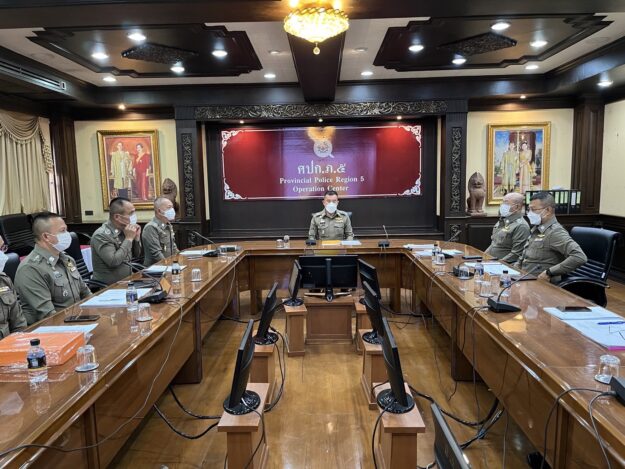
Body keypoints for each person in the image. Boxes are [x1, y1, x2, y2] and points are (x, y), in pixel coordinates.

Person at [14, 213, 91, 325]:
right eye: (62, 231)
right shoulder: (31, 269)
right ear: (46, 237)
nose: (67, 234)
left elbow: (86, 293)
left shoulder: (67, 259)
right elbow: (48, 315)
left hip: (79, 320)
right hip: (53, 329)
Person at [515, 192, 587, 283]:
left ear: (548, 210)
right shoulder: (537, 229)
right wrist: (514, 269)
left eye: (533, 209)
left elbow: (580, 257)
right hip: (524, 278)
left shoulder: (555, 232)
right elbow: (525, 257)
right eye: (529, 209)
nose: (529, 213)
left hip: (541, 284)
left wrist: (549, 272)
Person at [91, 197, 142, 285]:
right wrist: (129, 239)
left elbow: (136, 255)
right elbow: (113, 262)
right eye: (131, 213)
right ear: (117, 217)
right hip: (107, 286)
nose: (134, 216)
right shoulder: (101, 235)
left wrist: (136, 238)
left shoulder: (125, 229)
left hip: (127, 281)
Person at [485, 192, 530, 263]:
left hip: (504, 265)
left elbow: (516, 253)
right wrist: (483, 257)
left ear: (517, 207)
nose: (502, 205)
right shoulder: (502, 221)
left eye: (505, 203)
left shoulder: (521, 226)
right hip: (491, 261)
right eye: (502, 202)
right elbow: (494, 244)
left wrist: (498, 263)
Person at [0, 238, 27, 337]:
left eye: (2, 248)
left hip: (10, 343)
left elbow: (19, 325)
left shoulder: (4, 280)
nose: (2, 255)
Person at [142, 197, 179, 266]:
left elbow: (174, 248)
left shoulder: (168, 225)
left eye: (172, 207)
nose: (172, 210)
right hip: (156, 268)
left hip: (169, 265)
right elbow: (157, 254)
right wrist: (169, 266)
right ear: (159, 211)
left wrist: (181, 259)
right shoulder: (151, 227)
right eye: (169, 208)